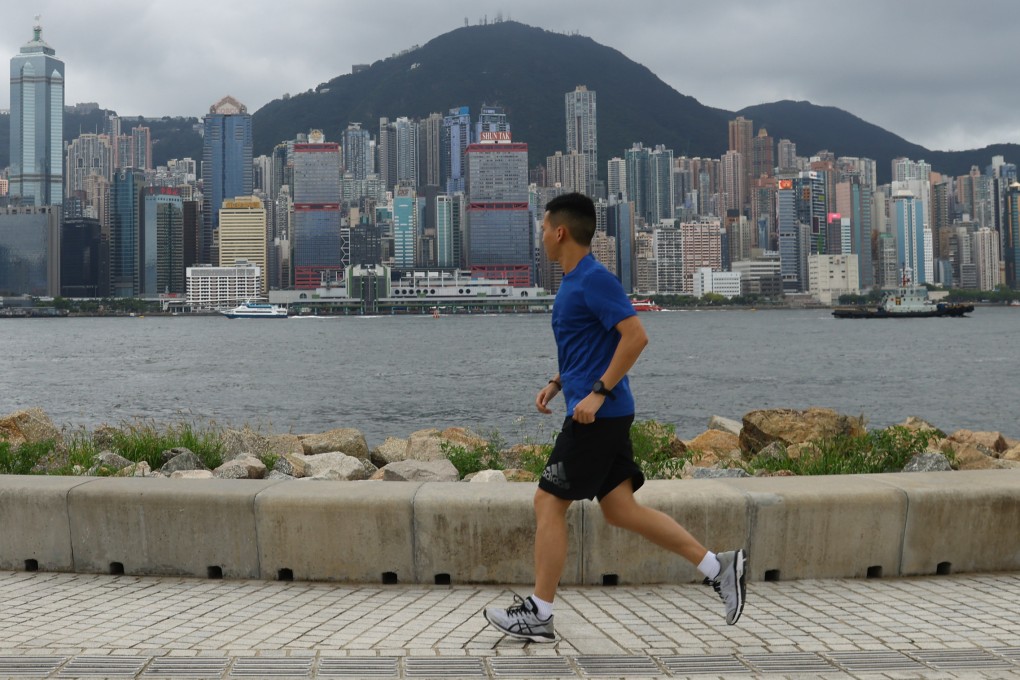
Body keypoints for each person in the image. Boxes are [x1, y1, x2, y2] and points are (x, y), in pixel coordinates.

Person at [483, 192, 747, 643]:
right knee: (621, 510)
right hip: (604, 412)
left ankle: (540, 613)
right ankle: (718, 566)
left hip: (597, 419)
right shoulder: (573, 282)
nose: (542, 235)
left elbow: (635, 337)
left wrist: (597, 394)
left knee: (547, 503)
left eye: (544, 228)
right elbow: (589, 345)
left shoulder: (594, 279)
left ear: (561, 231)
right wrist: (560, 381)